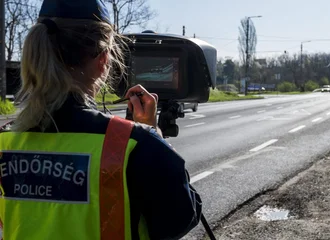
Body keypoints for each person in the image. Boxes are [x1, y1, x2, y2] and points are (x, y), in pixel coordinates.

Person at [0, 0, 202, 239]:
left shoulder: (6, 142)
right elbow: (179, 220)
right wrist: (154, 135)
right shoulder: (134, 145)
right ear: (103, 60)